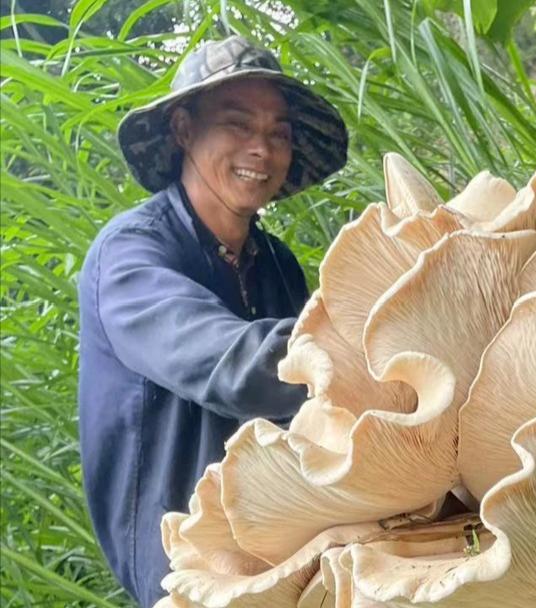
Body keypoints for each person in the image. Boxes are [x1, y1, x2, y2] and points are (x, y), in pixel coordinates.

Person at [77, 36, 348, 606]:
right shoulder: (130, 256)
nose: (262, 149)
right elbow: (234, 367)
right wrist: (363, 338)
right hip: (178, 570)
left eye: (278, 134)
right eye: (238, 124)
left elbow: (314, 406)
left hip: (275, 556)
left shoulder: (275, 264)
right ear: (183, 129)